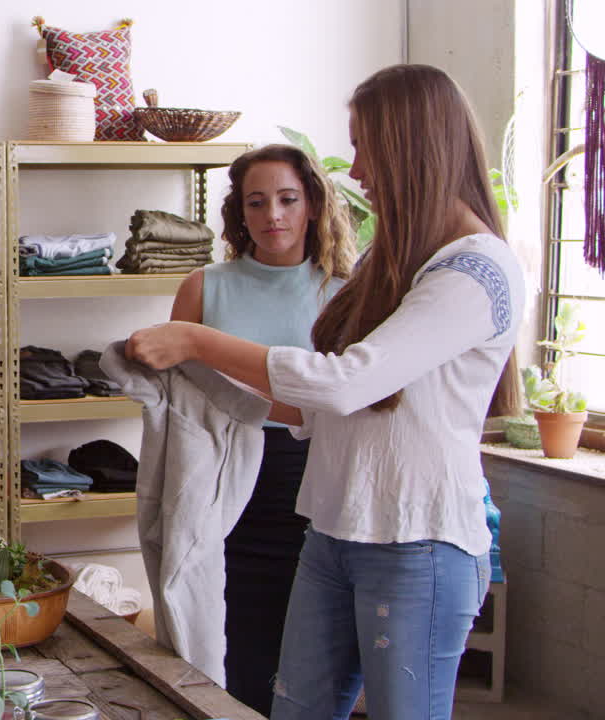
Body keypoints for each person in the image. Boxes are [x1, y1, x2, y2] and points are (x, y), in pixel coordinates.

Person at [125, 63, 523, 720]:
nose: (358, 171)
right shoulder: (391, 261)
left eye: (366, 146)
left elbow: (346, 383)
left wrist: (198, 343)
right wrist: (207, 390)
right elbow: (322, 408)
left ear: (411, 145)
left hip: (416, 543)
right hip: (334, 529)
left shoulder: (475, 272)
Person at [167, 143, 355, 715]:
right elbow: (183, 397)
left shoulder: (345, 291)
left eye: (287, 199)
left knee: (309, 643)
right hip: (226, 478)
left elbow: (351, 396)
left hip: (315, 479)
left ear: (314, 206)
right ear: (239, 214)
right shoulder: (205, 286)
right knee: (233, 638)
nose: (272, 214)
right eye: (257, 202)